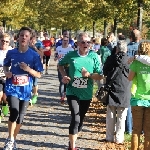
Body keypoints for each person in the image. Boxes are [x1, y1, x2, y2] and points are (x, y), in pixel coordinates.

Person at [58, 32, 103, 150]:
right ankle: (72, 147)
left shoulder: (94, 56)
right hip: (72, 91)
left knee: (80, 119)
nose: (86, 44)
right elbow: (60, 65)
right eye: (83, 42)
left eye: (88, 42)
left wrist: (88, 75)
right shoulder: (71, 55)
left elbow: (100, 76)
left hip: (86, 93)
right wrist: (64, 76)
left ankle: (73, 139)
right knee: (76, 118)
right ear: (77, 43)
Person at [3, 27, 43, 150]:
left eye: (26, 36)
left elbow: (39, 74)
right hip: (12, 88)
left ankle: (13, 139)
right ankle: (10, 139)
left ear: (30, 39)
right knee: (14, 112)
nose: (23, 38)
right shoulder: (11, 52)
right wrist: (7, 73)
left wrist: (28, 69)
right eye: (21, 35)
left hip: (25, 90)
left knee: (20, 117)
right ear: (18, 38)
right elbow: (5, 65)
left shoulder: (34, 55)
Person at [103, 40, 131, 144]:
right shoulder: (129, 60)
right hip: (124, 90)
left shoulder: (110, 58)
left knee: (110, 114)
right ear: (126, 49)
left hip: (112, 89)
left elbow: (105, 71)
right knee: (122, 116)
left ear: (117, 49)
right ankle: (119, 138)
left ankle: (109, 137)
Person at [128, 41, 150, 150]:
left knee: (136, 130)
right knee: (148, 131)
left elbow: (130, 78)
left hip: (137, 99)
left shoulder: (136, 63)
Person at [125, 29, 141, 135]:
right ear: (139, 37)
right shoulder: (143, 48)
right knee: (142, 103)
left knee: (129, 105)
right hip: (141, 78)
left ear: (130, 37)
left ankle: (129, 129)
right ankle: (142, 129)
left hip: (128, 77)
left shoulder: (126, 47)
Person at [54, 36, 74, 104]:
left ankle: (67, 94)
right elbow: (56, 55)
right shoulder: (58, 48)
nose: (65, 42)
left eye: (67, 41)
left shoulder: (71, 49)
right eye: (64, 40)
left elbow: (73, 59)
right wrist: (56, 57)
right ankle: (62, 96)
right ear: (62, 41)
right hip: (60, 67)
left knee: (67, 81)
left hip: (68, 67)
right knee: (62, 81)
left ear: (68, 42)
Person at [0, 33, 12, 122]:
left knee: (5, 98)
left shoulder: (12, 51)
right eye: (2, 41)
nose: (4, 43)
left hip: (8, 78)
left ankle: (5, 104)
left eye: (6, 41)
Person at [29, 35, 43, 105]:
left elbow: (41, 54)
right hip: (28, 65)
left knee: (35, 83)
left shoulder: (39, 44)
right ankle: (28, 96)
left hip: (36, 66)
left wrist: (35, 48)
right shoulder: (26, 45)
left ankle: (35, 94)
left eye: (34, 39)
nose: (32, 41)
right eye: (31, 39)